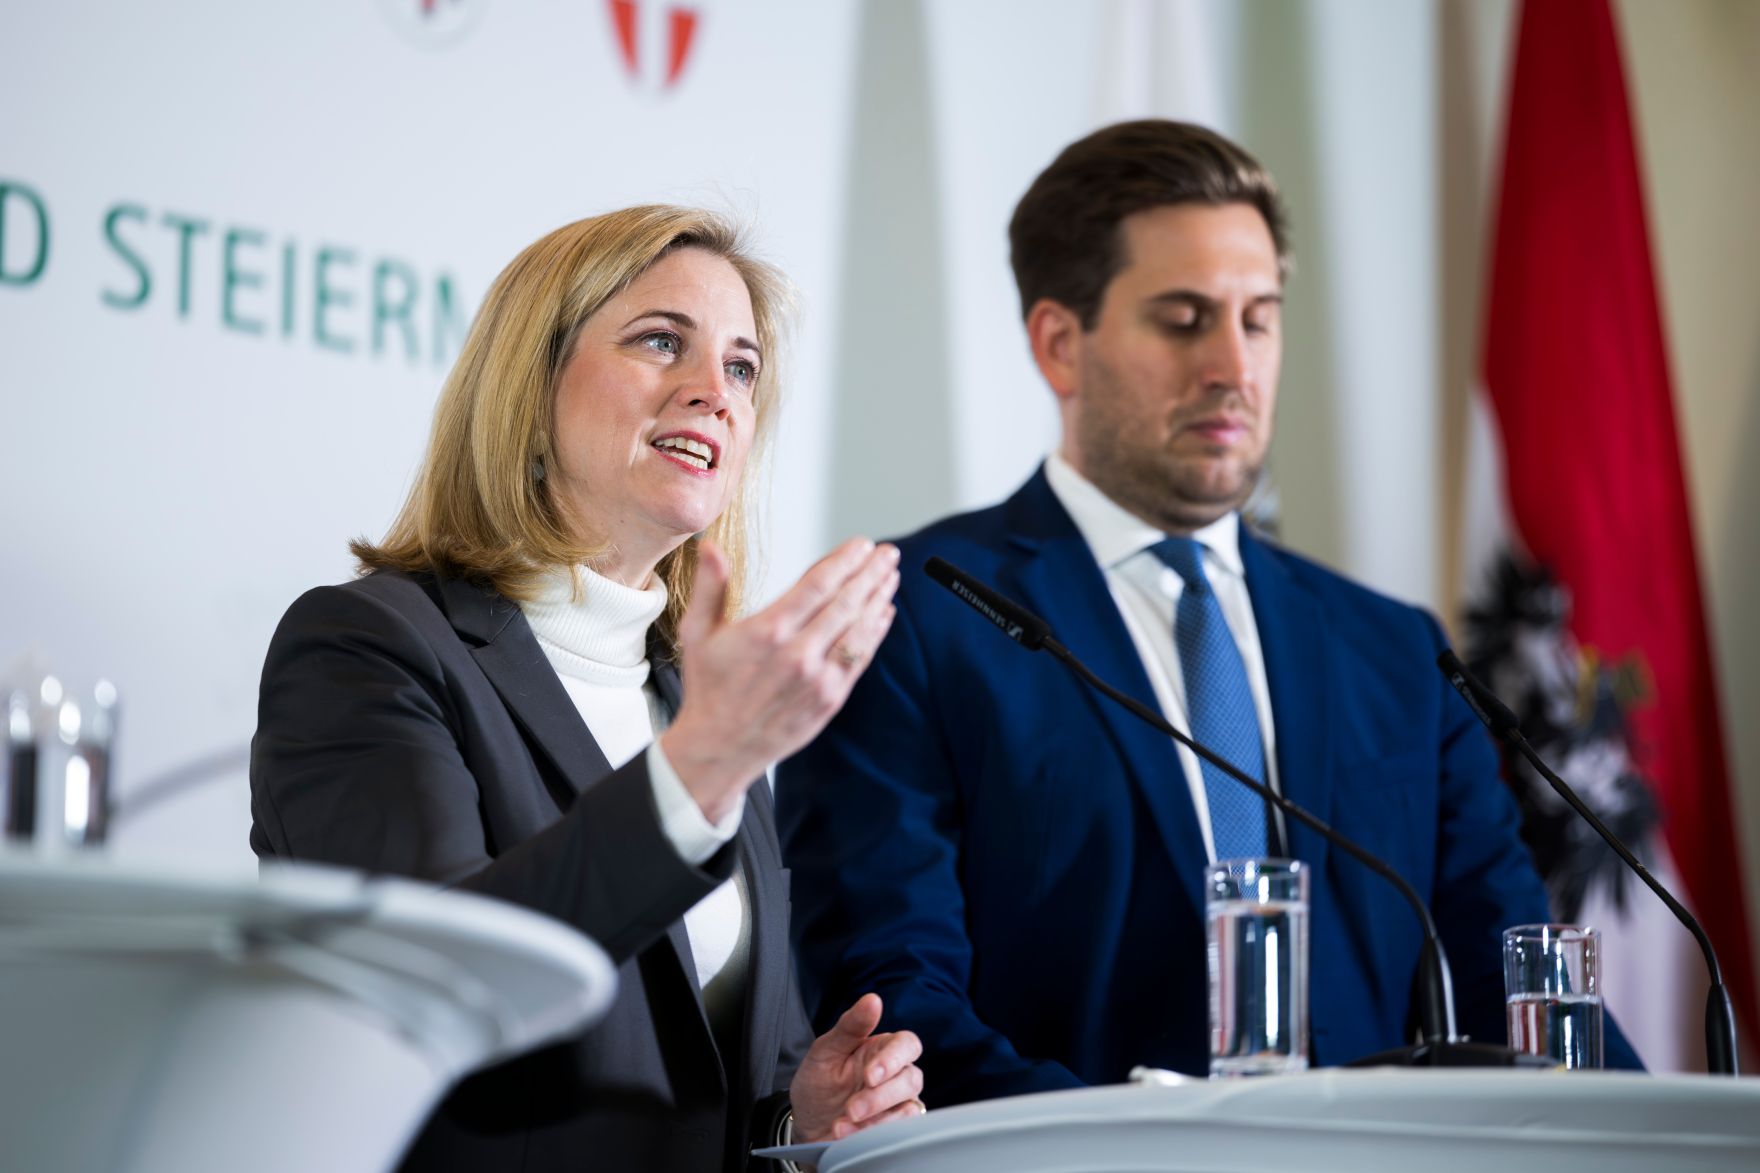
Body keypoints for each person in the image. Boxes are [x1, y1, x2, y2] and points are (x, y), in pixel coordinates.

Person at [775, 120, 1639, 1103]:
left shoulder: (1395, 651)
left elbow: (1511, 988)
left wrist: (1674, 1136)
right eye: (1184, 320)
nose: (1233, 365)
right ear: (1059, 345)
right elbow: (892, 1012)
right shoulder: (913, 619)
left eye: (1257, 319)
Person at [251, 205, 925, 1170]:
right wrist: (700, 771)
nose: (715, 392)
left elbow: (718, 1076)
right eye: (662, 341)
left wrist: (798, 1123)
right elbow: (438, 981)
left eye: (741, 367)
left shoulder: (698, 701)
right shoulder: (369, 646)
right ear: (532, 385)